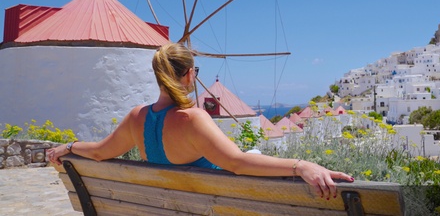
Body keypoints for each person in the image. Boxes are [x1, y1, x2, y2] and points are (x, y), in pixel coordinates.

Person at [47, 42, 353, 200]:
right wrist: (303, 166)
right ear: (189, 74)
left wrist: (69, 146)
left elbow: (100, 152)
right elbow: (239, 163)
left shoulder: (136, 118)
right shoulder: (193, 119)